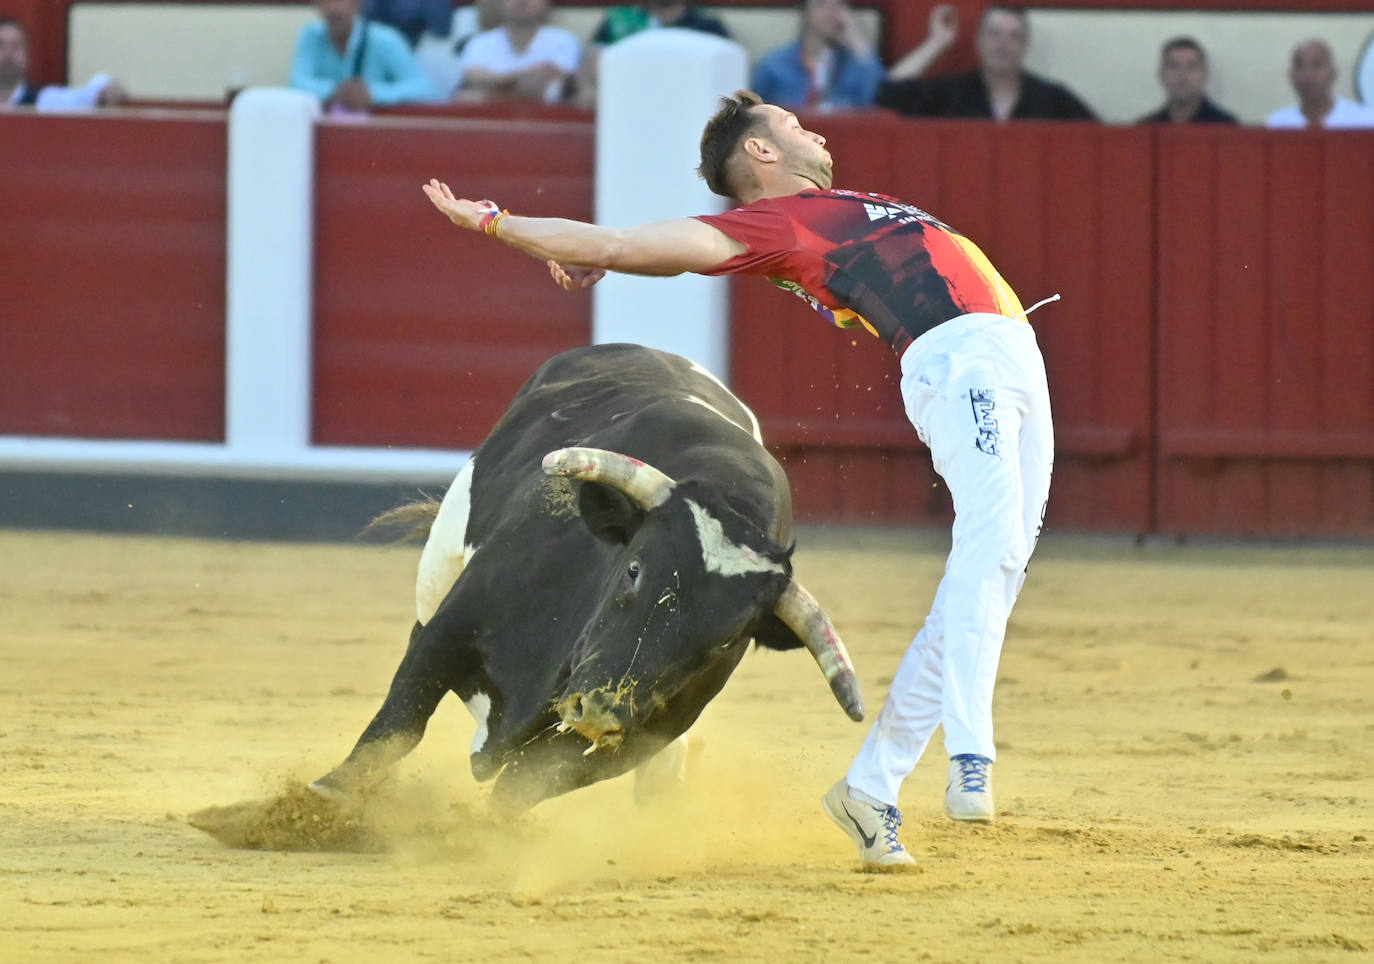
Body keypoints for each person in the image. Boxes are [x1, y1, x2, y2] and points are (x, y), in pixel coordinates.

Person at [420, 89, 1055, 870]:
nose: (812, 129)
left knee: (990, 574)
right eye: (792, 126)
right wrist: (495, 222)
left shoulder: (826, 217)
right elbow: (619, 242)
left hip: (1011, 356)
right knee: (987, 547)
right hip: (961, 359)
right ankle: (971, 754)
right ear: (760, 153)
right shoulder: (773, 225)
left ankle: (873, 787)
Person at [878, 4, 1095, 122]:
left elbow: (1096, 138)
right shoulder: (951, 92)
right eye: (994, 34)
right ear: (978, 41)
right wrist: (937, 42)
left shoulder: (1053, 98)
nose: (1003, 44)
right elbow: (889, 93)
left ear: (1025, 47)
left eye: (1014, 36)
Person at [573, 1, 730, 109]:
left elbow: (725, 73)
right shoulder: (617, 19)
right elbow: (592, 59)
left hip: (686, 105)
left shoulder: (707, 24)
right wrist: (587, 88)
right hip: (623, 103)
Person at [289, 0, 437, 112]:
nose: (333, 7)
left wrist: (372, 94)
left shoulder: (385, 39)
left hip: (380, 134)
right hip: (326, 135)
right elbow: (296, 83)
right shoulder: (311, 35)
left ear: (358, 3)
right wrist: (335, 91)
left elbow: (425, 90)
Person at [750, 0, 884, 112]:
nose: (831, 12)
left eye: (839, 4)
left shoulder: (854, 64)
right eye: (821, 4)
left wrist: (856, 40)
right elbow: (755, 115)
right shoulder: (773, 65)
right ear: (804, 11)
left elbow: (877, 98)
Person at [454, 0, 579, 104]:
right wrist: (523, 80)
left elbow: (557, 86)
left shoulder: (563, 40)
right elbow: (473, 78)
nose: (521, 1)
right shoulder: (480, 43)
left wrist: (491, 90)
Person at [0, 15, 127, 109]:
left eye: (16, 46)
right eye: (1, 45)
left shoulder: (45, 101)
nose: (8, 53)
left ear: (27, 55)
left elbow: (85, 96)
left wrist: (105, 89)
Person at [1266, 38, 1374, 130]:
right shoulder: (1277, 124)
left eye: (1316, 65)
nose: (1307, 75)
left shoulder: (1365, 122)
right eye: (1299, 66)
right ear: (1291, 76)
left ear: (1333, 74)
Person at [1137, 37, 1237, 125]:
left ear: (1205, 75)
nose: (1182, 74)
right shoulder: (1146, 127)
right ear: (1161, 75)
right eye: (1174, 66)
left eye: (1191, 66)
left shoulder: (1226, 126)